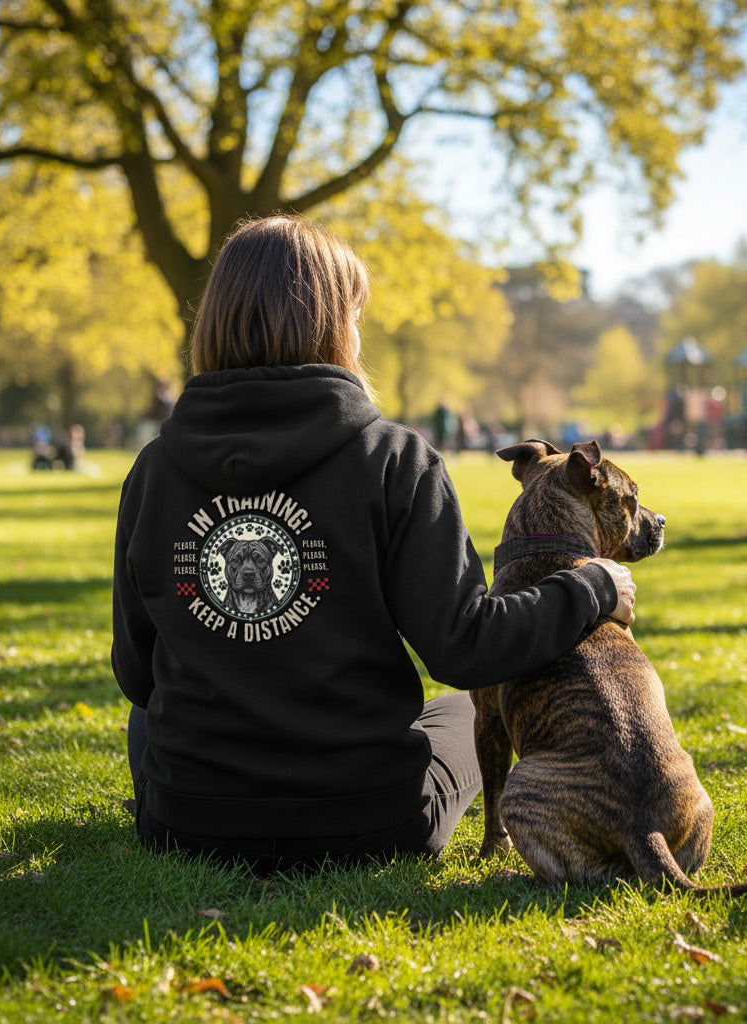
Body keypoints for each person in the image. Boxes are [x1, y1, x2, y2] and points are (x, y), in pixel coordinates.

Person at [111, 216, 636, 872]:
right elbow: (466, 649)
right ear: (332, 326)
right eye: (355, 315)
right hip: (367, 819)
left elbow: (135, 672)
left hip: (187, 818)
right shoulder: (395, 461)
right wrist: (591, 586)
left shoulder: (154, 470)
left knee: (147, 715)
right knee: (455, 718)